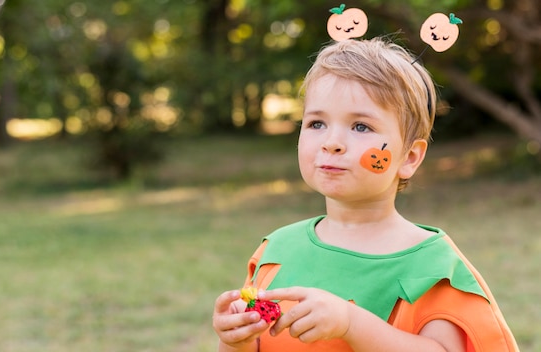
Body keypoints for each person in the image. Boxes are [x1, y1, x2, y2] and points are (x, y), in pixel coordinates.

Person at [212, 37, 519, 352]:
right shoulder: (276, 250)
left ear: (409, 157)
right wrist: (236, 340)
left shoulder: (433, 268)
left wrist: (351, 323)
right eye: (317, 123)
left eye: (360, 127)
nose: (332, 142)